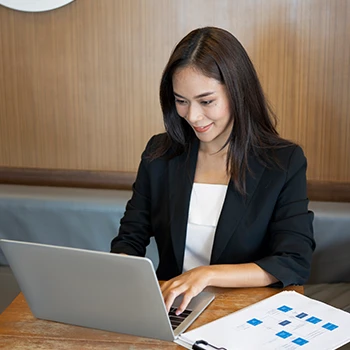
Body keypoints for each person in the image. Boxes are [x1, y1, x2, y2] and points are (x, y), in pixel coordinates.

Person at [111, 26, 315, 316]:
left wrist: (206, 275)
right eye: (181, 101)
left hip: (245, 314)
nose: (192, 116)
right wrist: (120, 276)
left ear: (238, 92)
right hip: (173, 310)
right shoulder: (160, 154)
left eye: (206, 101)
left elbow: (293, 260)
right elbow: (130, 239)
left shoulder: (282, 162)